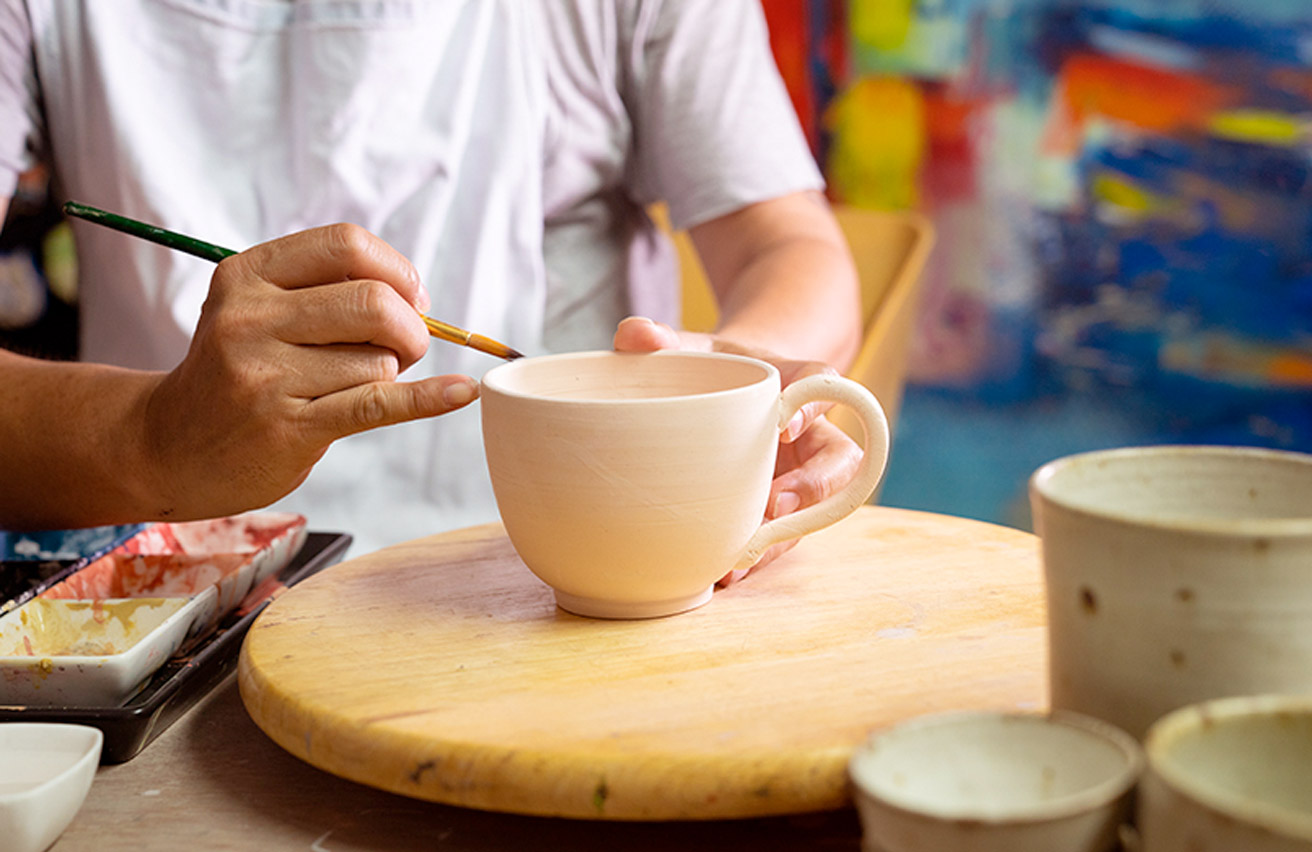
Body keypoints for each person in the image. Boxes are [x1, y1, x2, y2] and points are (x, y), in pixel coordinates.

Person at [0, 0, 863, 574]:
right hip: (160, 601)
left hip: (561, 589)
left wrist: (738, 387)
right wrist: (155, 437)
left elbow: (788, 247)